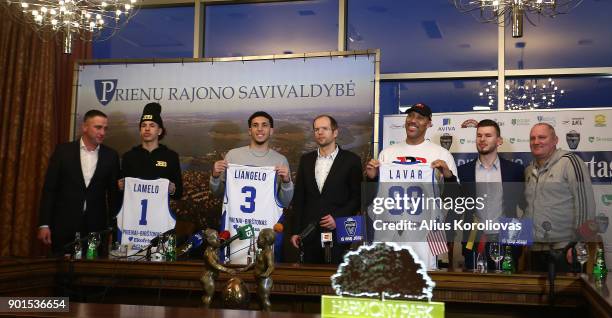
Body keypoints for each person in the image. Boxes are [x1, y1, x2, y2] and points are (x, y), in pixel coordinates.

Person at [365, 102, 457, 269]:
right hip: (391, 234)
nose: (413, 120)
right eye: (410, 116)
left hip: (424, 237)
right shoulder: (387, 154)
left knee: (422, 285)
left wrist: (448, 175)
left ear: (429, 123)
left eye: (420, 117)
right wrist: (372, 179)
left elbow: (455, 199)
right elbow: (375, 199)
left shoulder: (441, 154)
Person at [210, 111, 293, 263]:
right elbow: (219, 194)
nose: (260, 129)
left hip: (264, 231)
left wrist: (287, 181)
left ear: (271, 131)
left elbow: (284, 202)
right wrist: (215, 177)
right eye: (255, 125)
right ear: (250, 131)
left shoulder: (280, 160)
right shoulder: (233, 156)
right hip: (235, 229)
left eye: (264, 125)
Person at [37, 110, 120, 255]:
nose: (102, 132)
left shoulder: (111, 156)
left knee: (92, 274)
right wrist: (44, 224)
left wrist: (114, 228)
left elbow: (113, 196)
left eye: (105, 128)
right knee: (62, 273)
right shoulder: (63, 152)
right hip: (63, 225)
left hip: (96, 229)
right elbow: (50, 190)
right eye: (98, 127)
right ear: (84, 127)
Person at [446, 119, 525, 270]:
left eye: (488, 135)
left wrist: (522, 242)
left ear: (499, 140)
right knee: (475, 290)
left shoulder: (515, 170)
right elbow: (455, 207)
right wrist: (448, 235)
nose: (482, 139)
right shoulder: (464, 172)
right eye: (479, 135)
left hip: (507, 242)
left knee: (507, 289)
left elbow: (526, 205)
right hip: (473, 242)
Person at [290, 115, 363, 264]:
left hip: (340, 232)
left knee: (337, 279)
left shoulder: (352, 160)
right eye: (316, 129)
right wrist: (296, 231)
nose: (320, 132)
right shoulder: (306, 160)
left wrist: (338, 218)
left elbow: (357, 198)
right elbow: (299, 198)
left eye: (324, 128)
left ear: (335, 132)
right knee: (309, 281)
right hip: (309, 234)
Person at [525, 123, 595, 272]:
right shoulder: (529, 170)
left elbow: (585, 206)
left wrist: (577, 244)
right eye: (533, 138)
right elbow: (528, 209)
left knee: (567, 295)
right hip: (535, 250)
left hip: (565, 250)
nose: (536, 141)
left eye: (542, 137)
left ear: (555, 140)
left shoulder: (570, 162)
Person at [119, 102, 183, 200]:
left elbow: (179, 194)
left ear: (160, 131)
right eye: (143, 125)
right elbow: (120, 194)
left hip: (160, 214)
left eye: (152, 125)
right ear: (140, 130)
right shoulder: (129, 157)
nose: (147, 129)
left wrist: (172, 189)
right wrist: (119, 187)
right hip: (133, 214)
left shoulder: (171, 157)